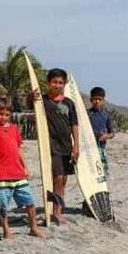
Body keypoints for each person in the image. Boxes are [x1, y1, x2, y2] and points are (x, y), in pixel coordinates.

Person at [0, 96, 45, 239]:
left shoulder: (14, 128)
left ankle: (33, 227)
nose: (4, 117)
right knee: (3, 205)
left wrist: (25, 166)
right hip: (2, 175)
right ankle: (6, 230)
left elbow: (19, 149)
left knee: (30, 201)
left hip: (18, 173)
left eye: (7, 115)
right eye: (0, 114)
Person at [40, 68, 78, 224]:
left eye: (60, 82)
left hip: (67, 146)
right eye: (54, 82)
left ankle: (58, 209)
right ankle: (55, 212)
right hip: (52, 146)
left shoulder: (69, 103)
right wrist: (31, 97)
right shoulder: (42, 101)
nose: (57, 85)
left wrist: (76, 146)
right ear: (48, 83)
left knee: (64, 181)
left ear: (64, 84)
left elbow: (74, 125)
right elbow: (30, 104)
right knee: (58, 178)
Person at [88, 86, 115, 178]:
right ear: (91, 100)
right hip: (88, 148)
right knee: (90, 171)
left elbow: (112, 133)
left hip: (101, 148)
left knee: (102, 172)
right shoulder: (87, 114)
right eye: (94, 99)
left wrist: (106, 136)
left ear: (103, 100)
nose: (97, 101)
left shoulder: (106, 115)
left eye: (99, 99)